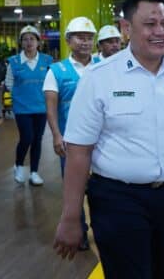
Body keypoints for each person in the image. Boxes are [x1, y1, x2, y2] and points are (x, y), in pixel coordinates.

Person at [53, 0, 164, 279]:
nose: (161, 31)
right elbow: (79, 152)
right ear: (126, 29)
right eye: (150, 24)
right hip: (117, 200)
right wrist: (71, 215)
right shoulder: (99, 78)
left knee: (161, 272)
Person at [44, 16, 99, 250]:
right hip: (71, 142)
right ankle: (80, 231)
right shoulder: (56, 70)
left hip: (102, 141)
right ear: (68, 40)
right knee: (74, 188)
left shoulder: (103, 65)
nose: (85, 42)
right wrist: (56, 135)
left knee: (100, 188)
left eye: (89, 38)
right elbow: (51, 107)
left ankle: (104, 229)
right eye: (80, 37)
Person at [6, 25, 53, 186]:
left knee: (37, 140)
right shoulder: (13, 62)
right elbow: (9, 84)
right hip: (22, 108)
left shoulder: (47, 60)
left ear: (38, 42)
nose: (29, 42)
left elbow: (51, 83)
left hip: (41, 107)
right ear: (21, 43)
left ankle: (34, 172)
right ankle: (19, 166)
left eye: (32, 39)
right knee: (27, 137)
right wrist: (20, 97)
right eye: (25, 39)